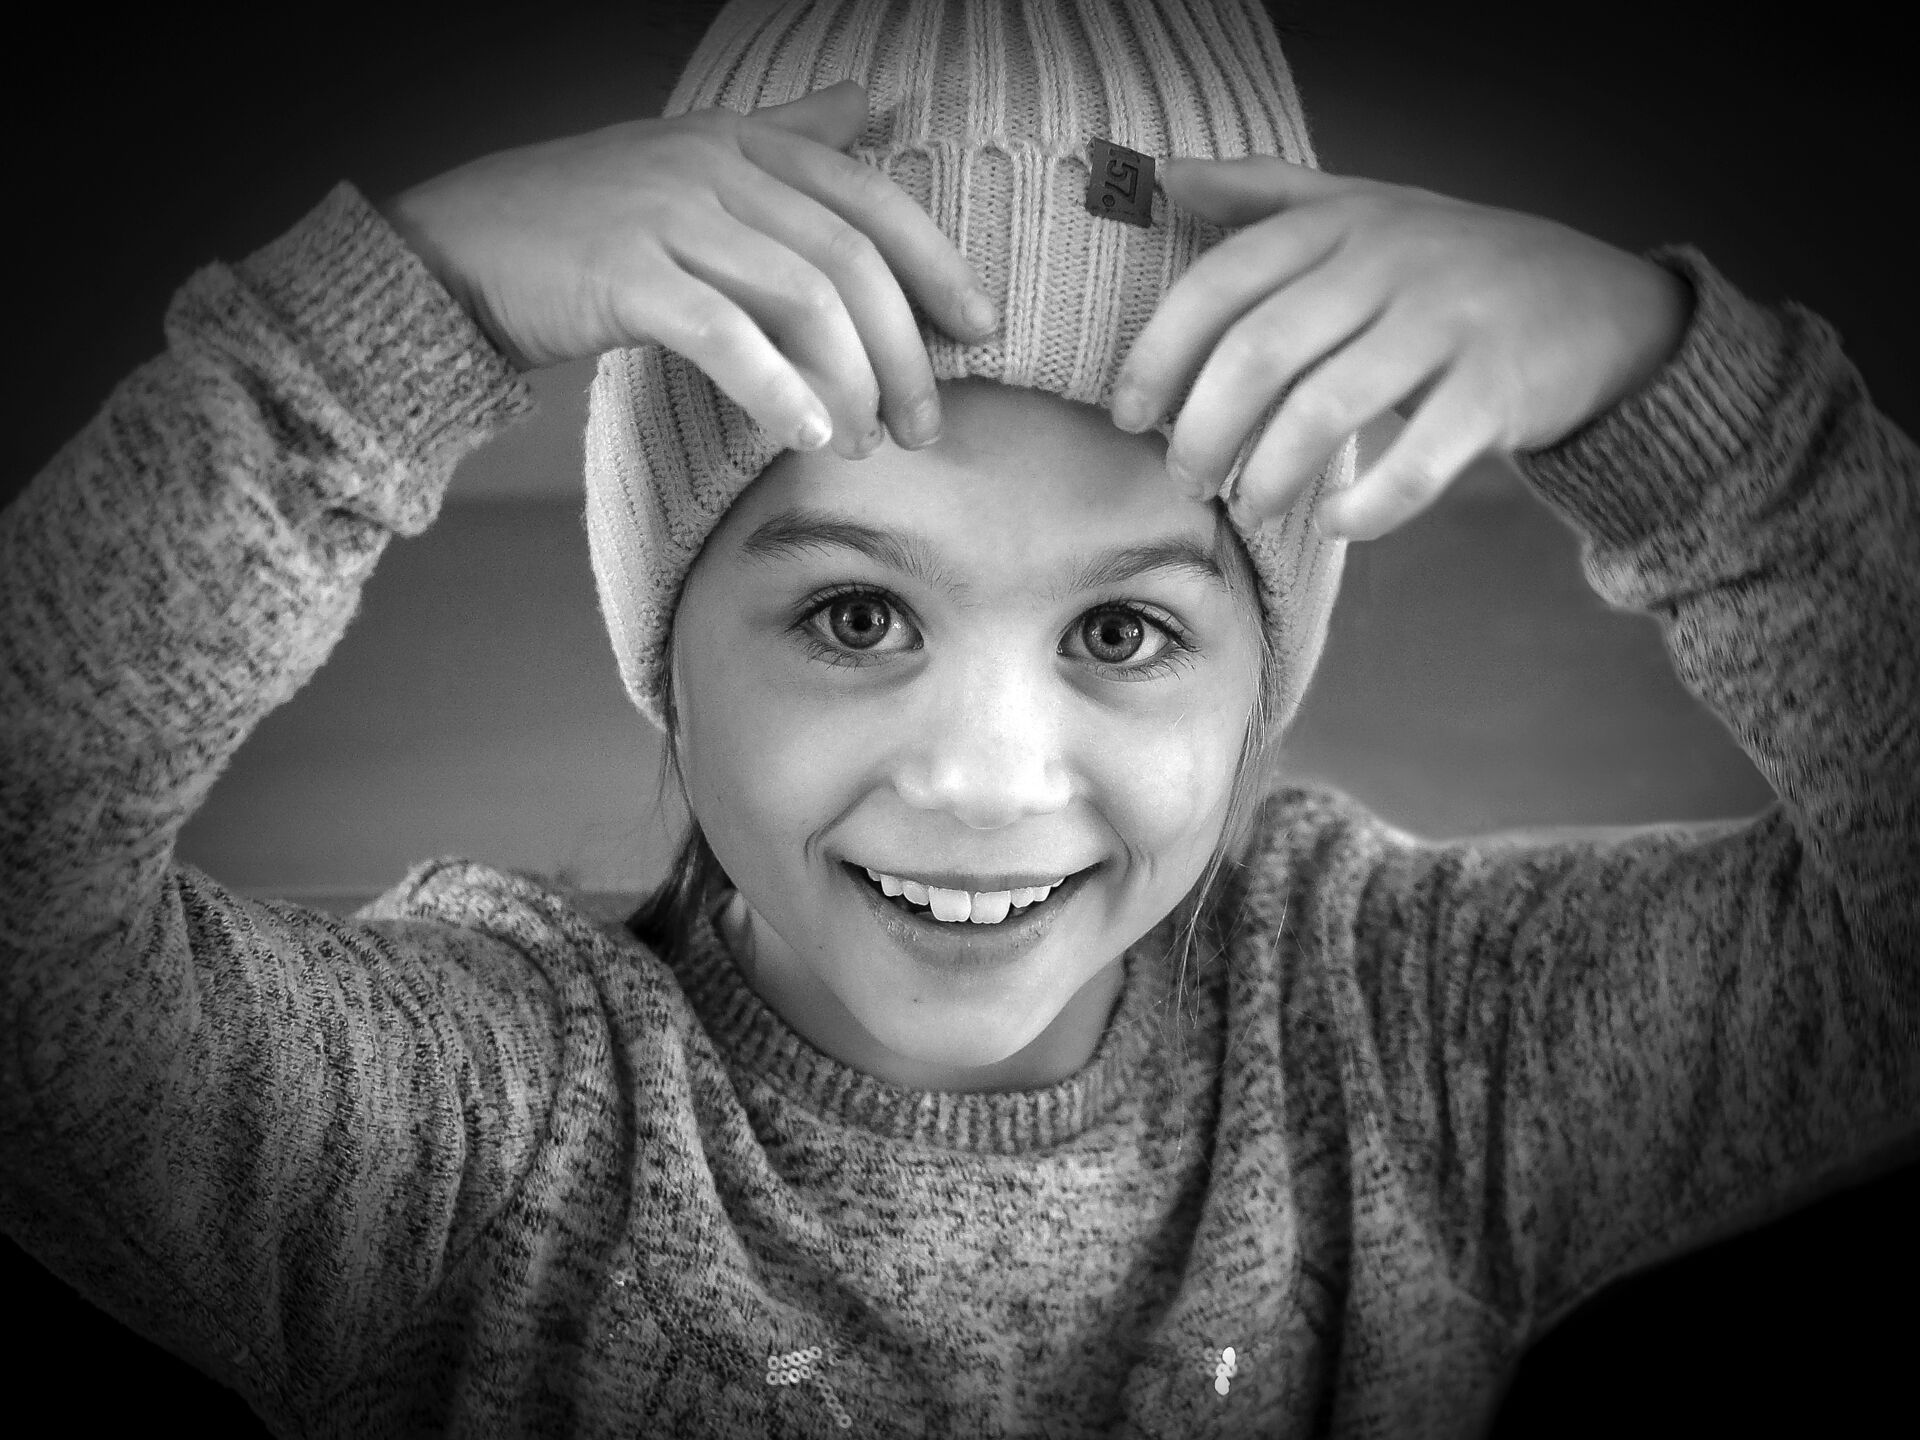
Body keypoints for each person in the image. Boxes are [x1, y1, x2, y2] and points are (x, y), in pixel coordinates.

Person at [2, 0, 1913, 1434]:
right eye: (855, 614)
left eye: (1126, 631)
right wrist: (406, 310)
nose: (989, 779)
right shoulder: (474, 1143)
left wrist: (1674, 395)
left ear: (1263, 674)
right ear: (668, 647)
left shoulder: (1408, 1052)